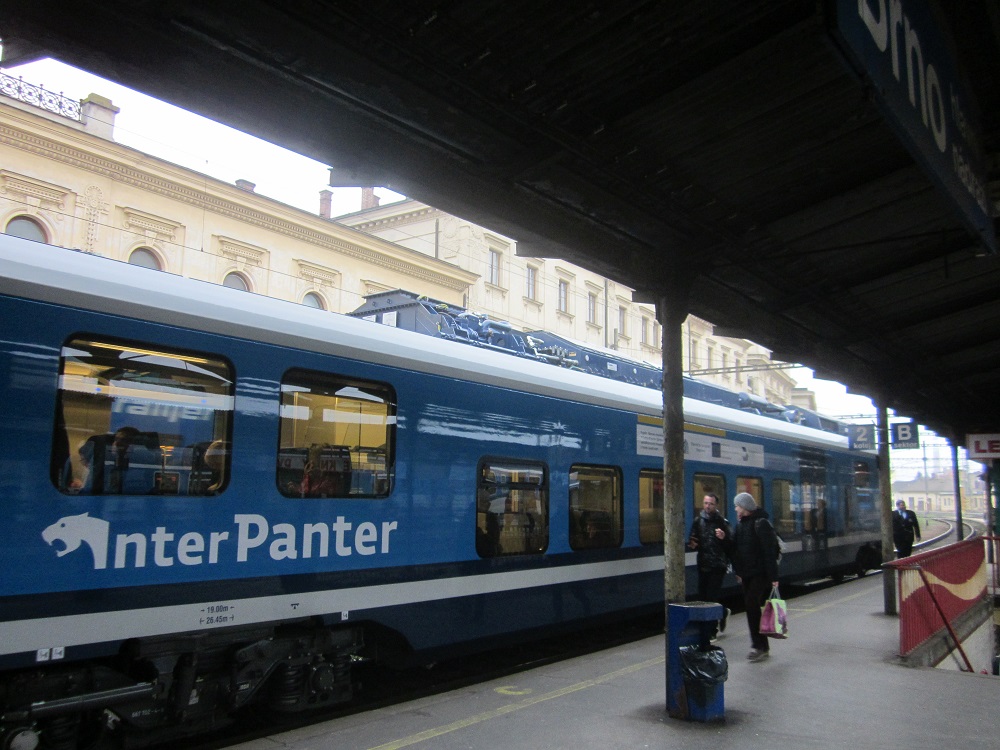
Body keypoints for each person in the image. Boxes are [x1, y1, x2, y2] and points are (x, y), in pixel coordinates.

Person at [729, 492, 780, 662]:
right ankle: (762, 645)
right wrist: (722, 539)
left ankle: (758, 645)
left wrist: (773, 577)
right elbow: (734, 549)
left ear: (745, 507)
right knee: (751, 607)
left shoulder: (761, 523)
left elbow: (769, 552)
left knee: (751, 604)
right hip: (747, 573)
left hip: (760, 573)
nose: (735, 509)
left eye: (737, 506)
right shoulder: (740, 525)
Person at [687, 492, 732, 637]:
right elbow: (693, 539)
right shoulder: (698, 521)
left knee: (711, 598)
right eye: (706, 503)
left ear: (716, 505)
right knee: (703, 598)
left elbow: (730, 543)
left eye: (711, 504)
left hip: (718, 565)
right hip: (703, 564)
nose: (708, 506)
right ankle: (722, 612)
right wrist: (692, 544)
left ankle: (712, 631)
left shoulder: (722, 522)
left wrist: (724, 538)